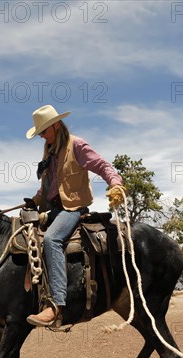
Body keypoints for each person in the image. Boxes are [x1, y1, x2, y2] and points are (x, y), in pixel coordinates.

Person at [24, 104, 125, 327]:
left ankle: (57, 305)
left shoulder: (76, 145)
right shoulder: (49, 153)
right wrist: (34, 201)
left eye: (43, 131)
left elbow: (101, 165)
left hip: (72, 209)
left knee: (52, 239)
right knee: (23, 234)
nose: (42, 136)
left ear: (56, 125)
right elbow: (47, 190)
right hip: (52, 209)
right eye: (39, 132)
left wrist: (116, 184)